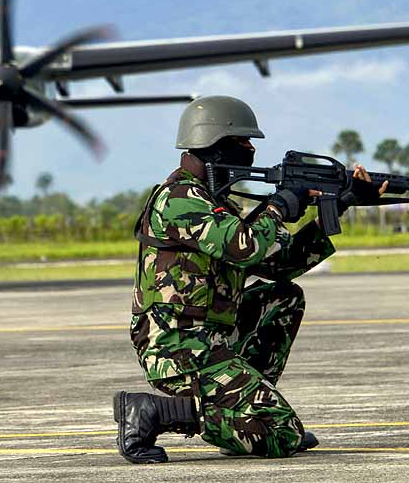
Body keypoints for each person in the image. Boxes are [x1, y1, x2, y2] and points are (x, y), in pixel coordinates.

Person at [114, 95, 383, 462]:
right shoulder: (180, 200)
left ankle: (247, 414)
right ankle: (153, 411)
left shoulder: (216, 201)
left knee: (284, 297)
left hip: (212, 340)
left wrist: (343, 203)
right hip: (179, 349)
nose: (251, 149)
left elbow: (280, 264)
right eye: (243, 142)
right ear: (215, 144)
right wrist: (278, 206)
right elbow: (245, 245)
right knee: (283, 436)